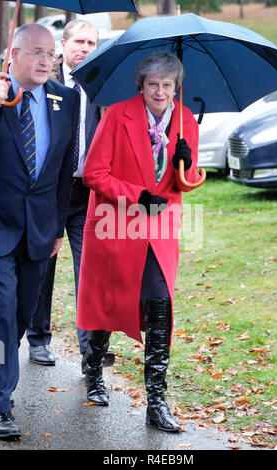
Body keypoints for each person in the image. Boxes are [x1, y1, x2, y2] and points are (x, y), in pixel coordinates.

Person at [76, 51, 201, 432]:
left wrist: (187, 162)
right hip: (116, 225)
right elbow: (93, 174)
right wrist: (136, 196)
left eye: (167, 85)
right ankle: (93, 370)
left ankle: (156, 402)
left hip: (160, 229)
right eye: (153, 85)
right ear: (140, 85)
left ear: (175, 86)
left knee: (160, 306)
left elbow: (188, 181)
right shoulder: (116, 115)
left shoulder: (185, 120)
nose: (160, 92)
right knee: (108, 306)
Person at [0, 23, 79, 439]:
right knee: (2, 311)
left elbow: (65, 171)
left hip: (40, 229)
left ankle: (0, 370)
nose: (47, 60)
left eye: (51, 54)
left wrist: (59, 227)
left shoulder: (65, 100)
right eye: (36, 52)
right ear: (13, 54)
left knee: (20, 314)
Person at [26, 19, 114, 372]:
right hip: (49, 191)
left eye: (91, 43)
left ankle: (88, 350)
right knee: (42, 267)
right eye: (79, 41)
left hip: (86, 192)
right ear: (63, 45)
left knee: (89, 270)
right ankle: (38, 337)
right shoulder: (45, 82)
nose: (85, 49)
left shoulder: (103, 87)